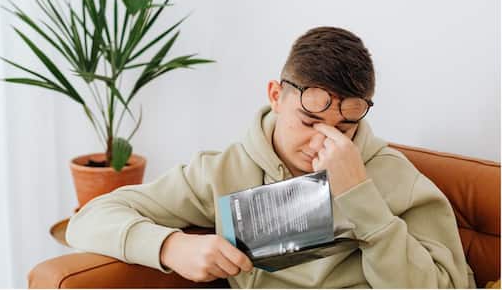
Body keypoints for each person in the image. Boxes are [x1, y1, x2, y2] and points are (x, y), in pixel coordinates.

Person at [66, 26, 476, 288]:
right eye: (309, 121)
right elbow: (90, 219)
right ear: (276, 97)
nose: (324, 141)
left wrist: (361, 198)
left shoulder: (396, 178)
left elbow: (451, 286)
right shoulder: (222, 171)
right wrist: (170, 246)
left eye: (344, 128)